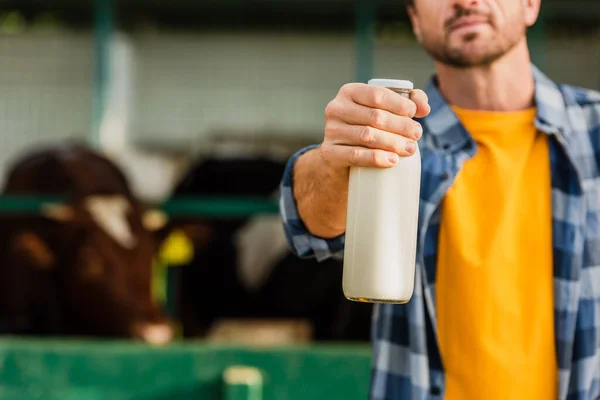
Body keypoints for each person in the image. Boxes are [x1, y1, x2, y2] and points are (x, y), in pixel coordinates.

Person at [278, 0, 600, 399]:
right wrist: (331, 165)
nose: (466, 1)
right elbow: (308, 226)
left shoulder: (594, 130)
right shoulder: (391, 137)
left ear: (531, 4)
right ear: (414, 19)